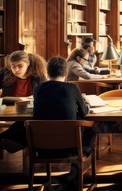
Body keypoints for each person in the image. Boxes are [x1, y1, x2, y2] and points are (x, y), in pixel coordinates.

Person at [33, 55, 94, 188]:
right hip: (71, 149)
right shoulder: (72, 88)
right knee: (91, 129)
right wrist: (86, 103)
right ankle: (75, 175)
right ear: (66, 73)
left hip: (43, 149)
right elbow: (84, 112)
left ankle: (71, 176)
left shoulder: (38, 89)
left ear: (47, 73)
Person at [0, 51, 47, 158]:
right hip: (7, 109)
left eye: (20, 66)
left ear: (28, 64)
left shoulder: (38, 75)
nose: (16, 70)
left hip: (28, 111)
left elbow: (44, 94)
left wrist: (33, 98)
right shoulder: (6, 72)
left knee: (27, 124)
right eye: (13, 66)